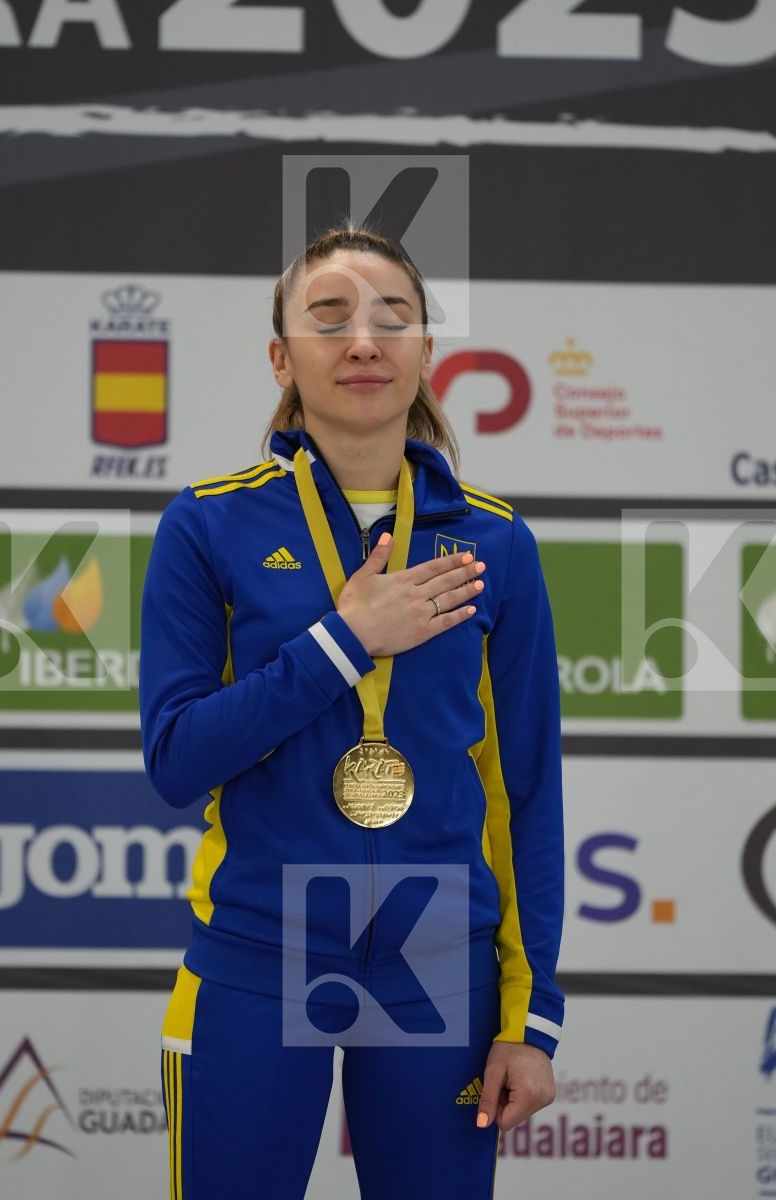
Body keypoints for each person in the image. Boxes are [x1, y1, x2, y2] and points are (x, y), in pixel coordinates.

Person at [139, 225, 564, 1200]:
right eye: (327, 319)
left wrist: (526, 1016)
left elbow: (525, 792)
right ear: (282, 358)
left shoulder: (494, 543)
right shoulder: (207, 524)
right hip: (257, 947)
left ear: (424, 350)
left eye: (391, 319)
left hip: (435, 954)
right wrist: (342, 642)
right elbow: (176, 759)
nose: (362, 342)